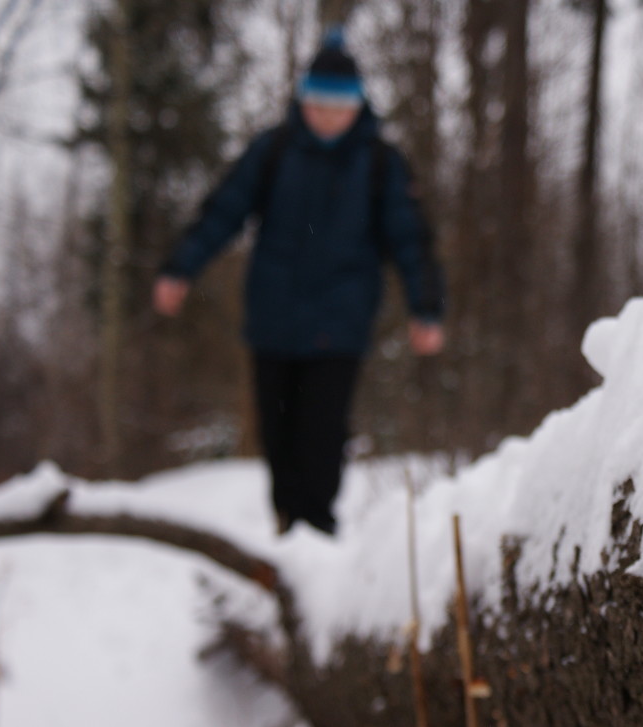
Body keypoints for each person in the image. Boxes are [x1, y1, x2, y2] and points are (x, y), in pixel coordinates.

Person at [153, 29, 445, 537]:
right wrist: (181, 269)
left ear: (357, 106)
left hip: (341, 322)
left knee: (322, 433)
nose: (328, 117)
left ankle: (317, 529)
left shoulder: (380, 163)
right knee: (278, 433)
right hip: (274, 317)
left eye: (339, 107)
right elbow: (224, 211)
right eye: (319, 105)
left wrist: (427, 308)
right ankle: (286, 525)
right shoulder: (274, 150)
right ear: (304, 100)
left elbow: (410, 239)